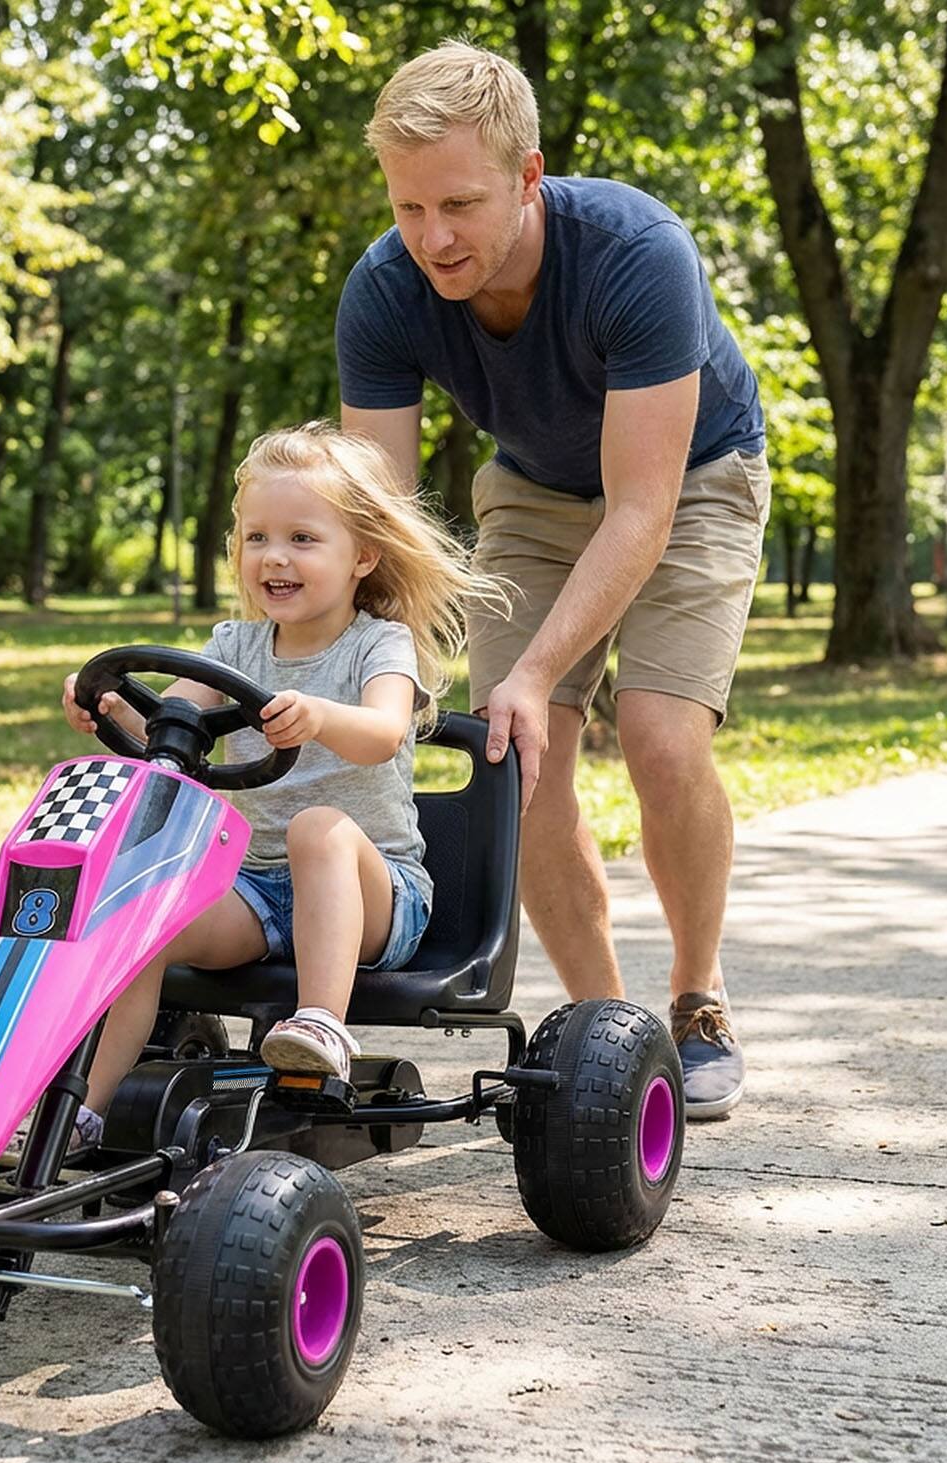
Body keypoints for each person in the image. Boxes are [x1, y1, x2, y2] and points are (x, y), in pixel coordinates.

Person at [336, 43, 771, 1119]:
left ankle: (696, 997)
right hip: (532, 492)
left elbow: (641, 509)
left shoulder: (634, 252)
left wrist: (533, 670)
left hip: (691, 478)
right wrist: (371, 674)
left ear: (528, 178)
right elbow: (377, 520)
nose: (433, 238)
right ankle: (611, 1048)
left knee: (665, 739)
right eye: (407, 208)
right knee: (514, 757)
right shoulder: (385, 292)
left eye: (461, 205)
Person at [56, 422, 509, 1153]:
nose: (274, 557)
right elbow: (167, 731)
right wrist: (104, 705)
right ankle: (85, 1111)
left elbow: (387, 730)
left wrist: (322, 715)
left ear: (362, 554)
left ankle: (321, 1027)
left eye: (302, 538)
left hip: (378, 896)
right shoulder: (232, 647)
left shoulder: (377, 643)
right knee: (144, 919)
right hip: (258, 890)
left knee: (317, 827)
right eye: (257, 537)